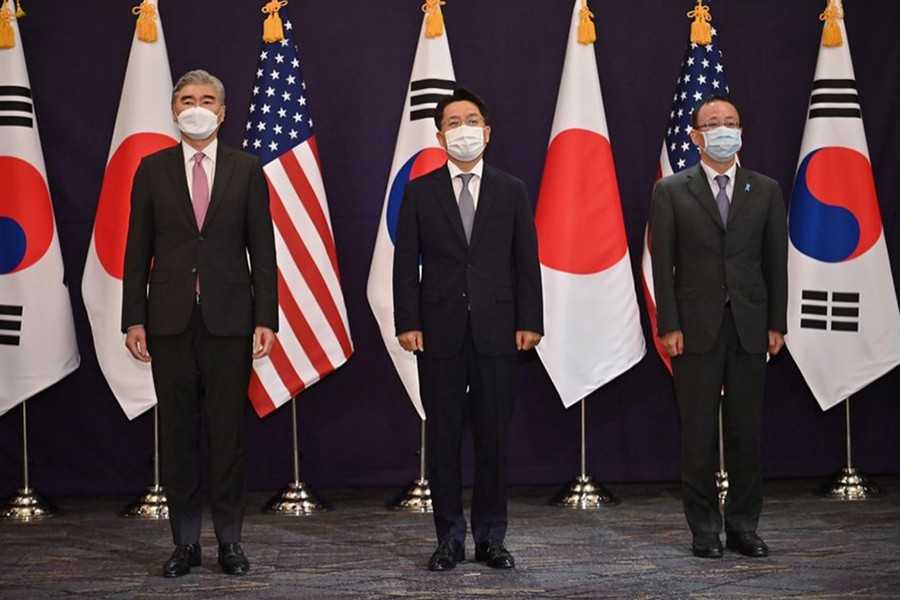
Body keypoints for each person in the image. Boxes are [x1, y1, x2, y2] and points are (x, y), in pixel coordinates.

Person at [122, 69, 278, 577]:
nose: (196, 106)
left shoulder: (247, 168)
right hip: (167, 322)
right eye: (187, 99)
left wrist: (265, 318)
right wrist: (133, 319)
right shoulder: (151, 169)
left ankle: (229, 542)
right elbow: (135, 251)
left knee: (228, 436)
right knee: (179, 436)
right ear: (173, 110)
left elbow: (263, 249)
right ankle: (185, 544)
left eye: (207, 99)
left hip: (231, 321)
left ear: (222, 111)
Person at [393, 88, 543, 571]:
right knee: (441, 442)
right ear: (439, 135)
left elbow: (526, 262)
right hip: (437, 332)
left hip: (500, 331)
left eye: (471, 120)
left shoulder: (511, 189)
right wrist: (407, 321)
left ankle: (491, 537)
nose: (463, 129)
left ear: (487, 131)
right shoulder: (419, 192)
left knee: (494, 439)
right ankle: (449, 538)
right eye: (453, 122)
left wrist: (530, 321)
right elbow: (403, 265)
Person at [649, 94, 787, 559]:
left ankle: (744, 527)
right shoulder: (671, 191)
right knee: (698, 435)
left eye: (730, 122)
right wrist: (668, 324)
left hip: (750, 327)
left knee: (748, 433)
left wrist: (776, 323)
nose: (723, 130)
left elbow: (776, 263)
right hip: (693, 328)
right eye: (713, 123)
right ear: (695, 136)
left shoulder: (764, 189)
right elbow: (662, 265)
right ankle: (705, 530)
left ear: (741, 131)